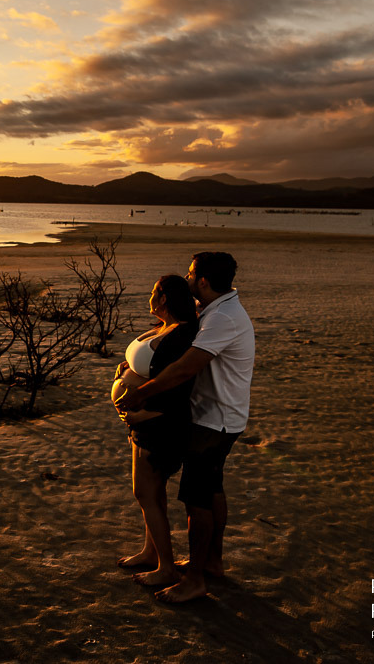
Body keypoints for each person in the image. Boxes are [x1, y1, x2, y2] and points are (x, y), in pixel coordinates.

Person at [116, 252, 255, 604]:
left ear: (204, 281)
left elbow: (183, 370)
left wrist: (137, 396)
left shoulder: (222, 317)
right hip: (219, 417)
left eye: (192, 274)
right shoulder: (216, 311)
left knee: (198, 502)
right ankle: (212, 562)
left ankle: (194, 579)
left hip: (214, 421)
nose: (188, 279)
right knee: (212, 491)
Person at [110, 275, 199, 588]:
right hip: (143, 423)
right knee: (151, 493)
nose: (149, 296)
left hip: (160, 425)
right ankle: (152, 552)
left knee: (146, 493)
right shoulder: (166, 328)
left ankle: (166, 567)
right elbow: (148, 365)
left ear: (163, 298)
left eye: (152, 292)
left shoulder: (182, 335)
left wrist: (143, 414)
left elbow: (179, 386)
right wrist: (125, 370)